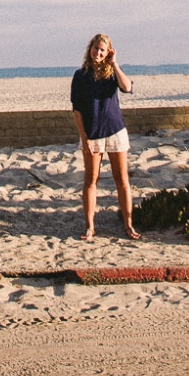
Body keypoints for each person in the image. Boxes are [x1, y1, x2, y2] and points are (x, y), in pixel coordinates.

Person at [70, 33, 140, 241]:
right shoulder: (80, 75)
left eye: (102, 49)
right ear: (89, 48)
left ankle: (128, 225)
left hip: (116, 132)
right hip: (93, 136)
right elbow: (77, 111)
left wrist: (115, 64)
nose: (97, 52)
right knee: (91, 180)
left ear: (108, 51)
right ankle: (90, 227)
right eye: (95, 48)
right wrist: (84, 138)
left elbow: (127, 88)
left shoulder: (112, 74)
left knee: (122, 180)